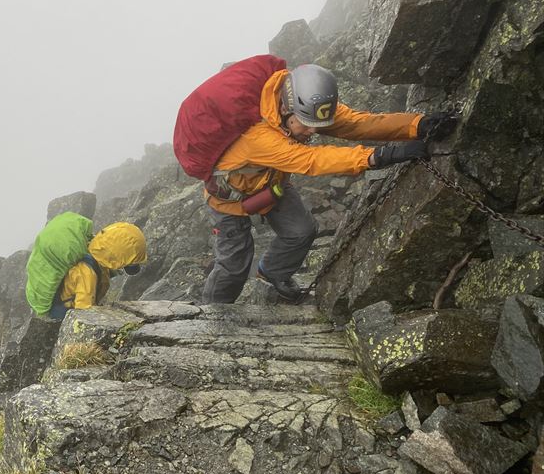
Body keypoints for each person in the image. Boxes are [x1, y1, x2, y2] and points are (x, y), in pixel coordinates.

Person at [181, 62, 456, 304]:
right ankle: (212, 312)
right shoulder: (259, 138)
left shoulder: (306, 106)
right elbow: (311, 160)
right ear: (288, 110)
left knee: (301, 231)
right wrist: (380, 156)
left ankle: (273, 275)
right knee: (234, 265)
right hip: (229, 201)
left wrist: (418, 125)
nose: (314, 131)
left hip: (270, 184)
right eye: (307, 124)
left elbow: (359, 124)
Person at [48, 222, 148, 319]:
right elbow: (83, 312)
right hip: (64, 316)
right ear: (114, 257)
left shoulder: (99, 258)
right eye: (126, 264)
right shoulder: (86, 273)